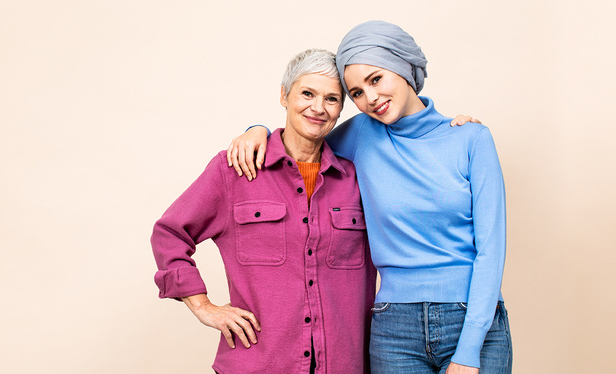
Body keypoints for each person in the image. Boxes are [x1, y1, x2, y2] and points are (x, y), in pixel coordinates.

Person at [226, 21, 512, 374]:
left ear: (404, 67)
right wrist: (257, 130)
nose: (370, 98)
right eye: (357, 93)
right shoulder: (362, 134)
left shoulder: (471, 139)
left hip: (473, 319)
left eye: (376, 79)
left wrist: (468, 352)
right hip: (394, 327)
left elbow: (491, 250)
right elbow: (301, 141)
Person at [151, 49, 377, 373]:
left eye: (331, 99)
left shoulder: (358, 179)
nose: (318, 107)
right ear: (284, 95)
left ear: (341, 108)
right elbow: (169, 234)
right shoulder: (236, 171)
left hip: (343, 364)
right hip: (258, 364)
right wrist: (201, 305)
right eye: (307, 93)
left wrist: (458, 131)